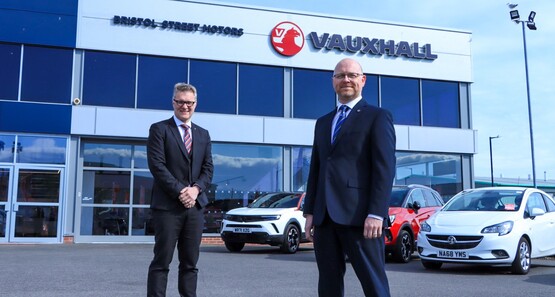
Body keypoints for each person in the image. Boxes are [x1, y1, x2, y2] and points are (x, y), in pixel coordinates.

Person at [303, 58, 396, 297]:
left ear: (362, 81)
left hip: (362, 218)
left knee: (373, 284)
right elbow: (316, 168)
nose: (346, 80)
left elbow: (384, 169)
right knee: (328, 285)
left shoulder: (377, 116)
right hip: (325, 219)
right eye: (340, 75)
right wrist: (310, 212)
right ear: (333, 81)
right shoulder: (323, 122)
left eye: (352, 75)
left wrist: (376, 213)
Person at [147, 83, 214, 297]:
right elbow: (157, 166)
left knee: (190, 264)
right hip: (167, 208)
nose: (185, 106)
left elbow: (208, 168)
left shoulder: (203, 134)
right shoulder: (159, 129)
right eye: (180, 101)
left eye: (189, 102)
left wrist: (195, 190)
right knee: (161, 262)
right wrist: (181, 191)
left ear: (195, 104)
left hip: (195, 209)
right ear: (173, 102)